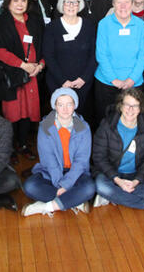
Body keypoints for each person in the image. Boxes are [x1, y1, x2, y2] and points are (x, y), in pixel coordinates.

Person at [92, 88, 144, 211]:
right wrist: (118, 180)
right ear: (120, 106)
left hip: (136, 175)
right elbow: (99, 157)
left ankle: (111, 196)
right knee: (101, 186)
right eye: (127, 105)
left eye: (135, 106)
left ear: (140, 109)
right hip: (112, 174)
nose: (130, 110)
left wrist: (136, 181)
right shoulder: (107, 125)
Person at [22, 88, 96, 216]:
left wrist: (66, 184)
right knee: (29, 186)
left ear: (75, 105)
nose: (65, 109)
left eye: (69, 104)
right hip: (51, 172)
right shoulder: (45, 126)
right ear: (54, 106)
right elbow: (48, 160)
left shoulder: (83, 128)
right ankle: (74, 201)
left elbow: (81, 161)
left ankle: (47, 206)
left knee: (90, 188)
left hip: (76, 173)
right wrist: (61, 185)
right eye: (60, 104)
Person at [0, 0, 44, 157]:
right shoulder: (1, 23)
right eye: (16, 0)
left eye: (23, 0)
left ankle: (23, 144)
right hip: (12, 75)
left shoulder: (35, 20)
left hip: (33, 75)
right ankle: (10, 148)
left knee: (28, 112)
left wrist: (40, 65)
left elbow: (43, 46)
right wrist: (23, 65)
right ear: (8, 2)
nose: (20, 4)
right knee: (13, 112)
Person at [94, 0, 144, 127]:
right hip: (106, 82)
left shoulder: (141, 25)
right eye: (119, 2)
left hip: (134, 83)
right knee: (106, 121)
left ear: (132, 4)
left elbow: (143, 55)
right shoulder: (104, 24)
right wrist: (114, 79)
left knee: (131, 121)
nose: (123, 6)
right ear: (113, 4)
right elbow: (101, 55)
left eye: (126, 2)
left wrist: (131, 79)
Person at [43, 0, 97, 118]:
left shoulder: (89, 26)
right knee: (61, 118)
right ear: (62, 4)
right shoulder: (52, 27)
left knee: (81, 118)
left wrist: (84, 78)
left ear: (80, 5)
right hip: (58, 82)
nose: (71, 6)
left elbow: (94, 55)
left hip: (83, 83)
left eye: (75, 2)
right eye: (68, 2)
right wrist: (63, 81)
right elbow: (48, 56)